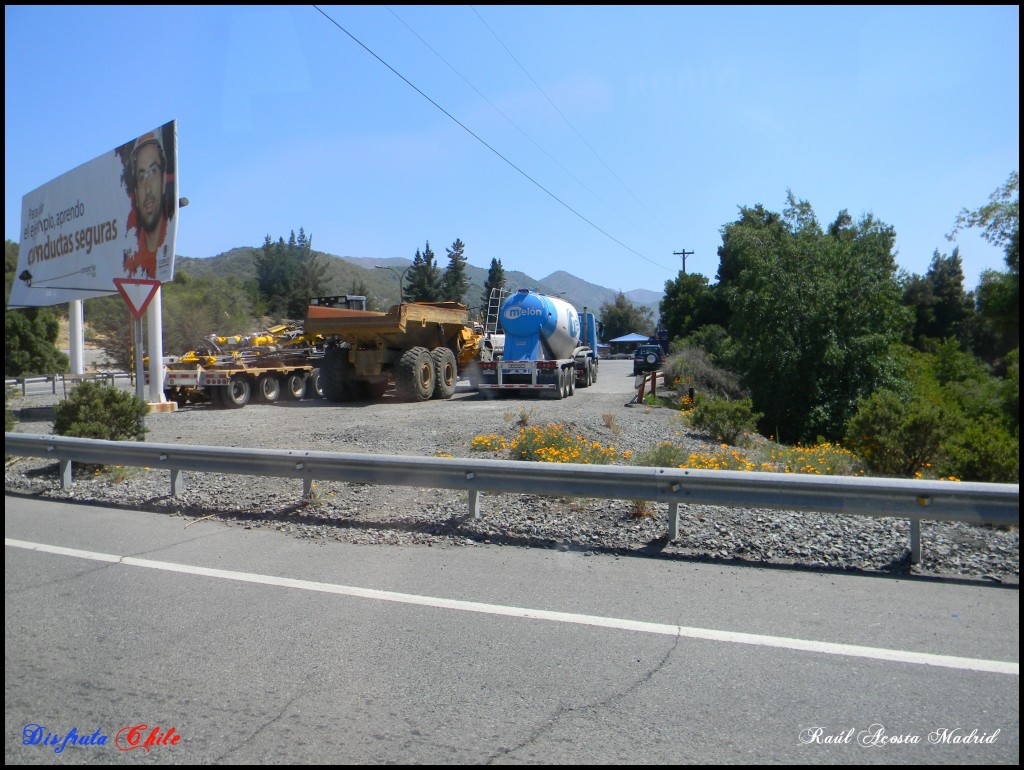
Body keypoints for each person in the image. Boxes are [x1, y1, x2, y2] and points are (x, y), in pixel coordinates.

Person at [122, 131, 168, 278]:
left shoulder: (166, 250)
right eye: (141, 177)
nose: (147, 189)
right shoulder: (129, 262)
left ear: (164, 180)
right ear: (135, 192)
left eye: (153, 172)